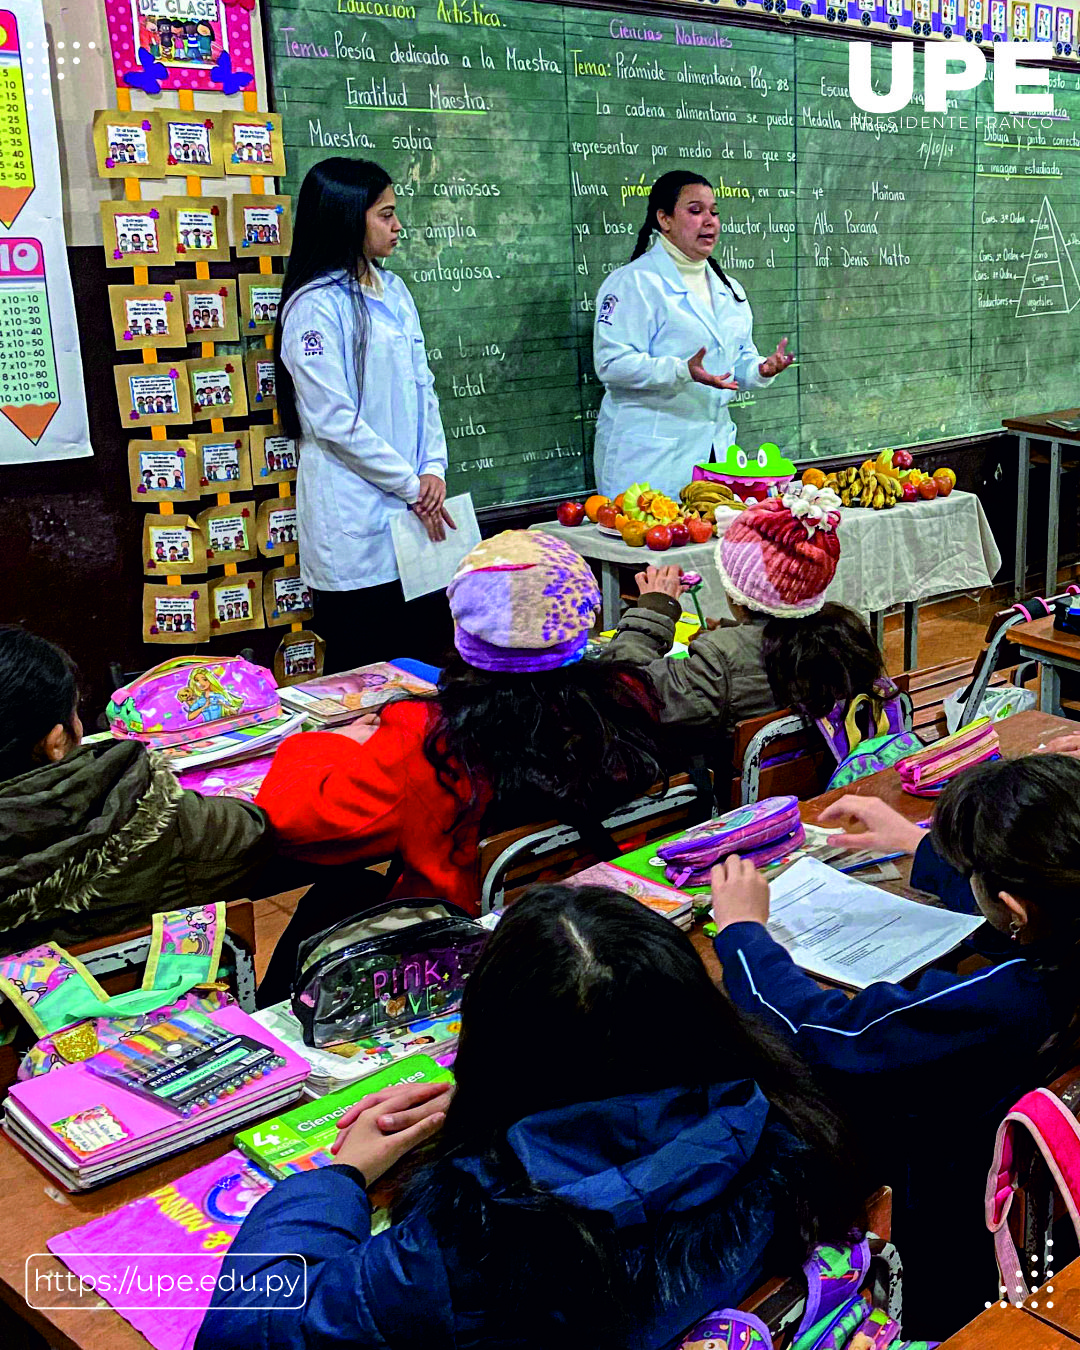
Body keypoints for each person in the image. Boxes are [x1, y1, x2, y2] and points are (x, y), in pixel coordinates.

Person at [197, 883, 867, 1350]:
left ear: (490, 1048)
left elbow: (248, 1326)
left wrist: (340, 1175)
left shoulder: (472, 1249)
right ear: (699, 1019)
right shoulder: (790, 1123)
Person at [710, 754, 1080, 1336]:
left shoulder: (1011, 1001)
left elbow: (823, 1032)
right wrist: (918, 843)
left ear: (1012, 909)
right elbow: (1033, 908)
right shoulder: (1064, 939)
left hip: (952, 1237)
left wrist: (741, 934)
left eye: (973, 874)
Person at [253, 532, 666, 1001]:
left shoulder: (427, 735)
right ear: (581, 622)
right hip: (590, 925)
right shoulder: (627, 699)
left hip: (460, 950)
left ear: (462, 628)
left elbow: (288, 821)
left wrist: (329, 743)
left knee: (337, 894)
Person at [277, 157, 454, 672]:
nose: (397, 227)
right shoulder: (314, 306)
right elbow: (334, 421)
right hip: (356, 525)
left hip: (417, 517)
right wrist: (410, 484)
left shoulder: (393, 290)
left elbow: (425, 389)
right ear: (347, 218)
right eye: (385, 215)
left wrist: (433, 470)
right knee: (370, 680)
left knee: (429, 668)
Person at [0, 629, 274, 955]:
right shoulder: (147, 812)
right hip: (146, 1000)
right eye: (75, 711)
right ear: (55, 743)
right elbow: (254, 832)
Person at [603, 483, 885, 767]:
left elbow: (621, 693)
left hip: (741, 807)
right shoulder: (846, 633)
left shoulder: (719, 663)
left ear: (736, 593)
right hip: (827, 788)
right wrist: (727, 636)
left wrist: (654, 611)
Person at [593, 170, 795, 499]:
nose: (710, 222)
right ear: (664, 219)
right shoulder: (633, 283)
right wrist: (681, 370)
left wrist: (759, 369)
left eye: (714, 212)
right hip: (649, 461)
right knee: (650, 546)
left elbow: (734, 361)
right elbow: (611, 364)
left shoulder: (729, 289)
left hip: (715, 458)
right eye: (696, 210)